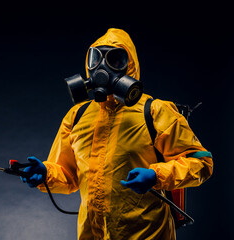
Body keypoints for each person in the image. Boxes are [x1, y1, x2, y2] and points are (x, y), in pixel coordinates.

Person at [21, 28, 213, 240]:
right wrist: (45, 174)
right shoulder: (77, 116)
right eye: (96, 59)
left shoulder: (155, 111)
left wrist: (155, 176)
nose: (102, 68)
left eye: (115, 59)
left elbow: (202, 163)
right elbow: (68, 175)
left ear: (130, 66)